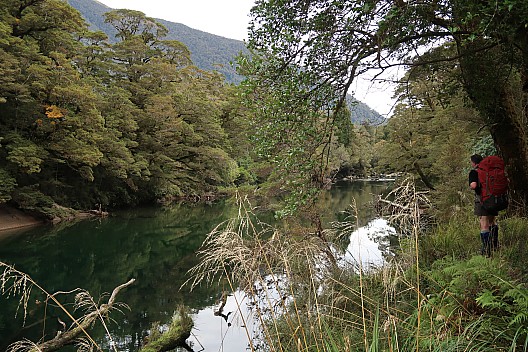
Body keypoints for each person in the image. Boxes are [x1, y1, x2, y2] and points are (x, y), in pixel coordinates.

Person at [469, 154, 499, 256]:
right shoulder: (489, 170)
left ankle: (486, 250)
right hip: (493, 199)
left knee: (484, 224)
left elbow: (473, 185)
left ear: (474, 162)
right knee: (492, 222)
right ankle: (495, 245)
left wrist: (472, 186)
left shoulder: (474, 172)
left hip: (482, 200)